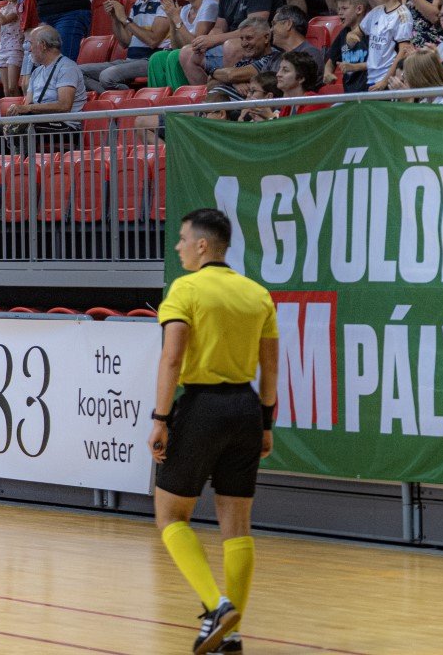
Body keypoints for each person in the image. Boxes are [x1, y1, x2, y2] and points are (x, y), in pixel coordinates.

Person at [151, 208, 278, 655]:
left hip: (202, 406)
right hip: (246, 408)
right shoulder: (257, 294)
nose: (179, 246)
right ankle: (233, 634)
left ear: (203, 245)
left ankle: (217, 606)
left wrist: (160, 418)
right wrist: (266, 422)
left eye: (183, 239)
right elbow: (270, 365)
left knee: (170, 516)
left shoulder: (185, 289)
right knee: (237, 524)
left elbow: (171, 358)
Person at [86, 0, 170, 90]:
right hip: (130, 60)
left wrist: (124, 19)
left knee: (107, 76)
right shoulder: (137, 2)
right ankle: (119, 97)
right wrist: (115, 17)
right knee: (77, 72)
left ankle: (126, 99)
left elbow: (153, 40)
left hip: (151, 60)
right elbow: (125, 42)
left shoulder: (165, 0)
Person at [364, 0, 416, 90]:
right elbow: (357, 31)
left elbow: (403, 51)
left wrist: (385, 81)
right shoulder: (377, 11)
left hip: (387, 80)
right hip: (371, 78)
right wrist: (352, 35)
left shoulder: (403, 15)